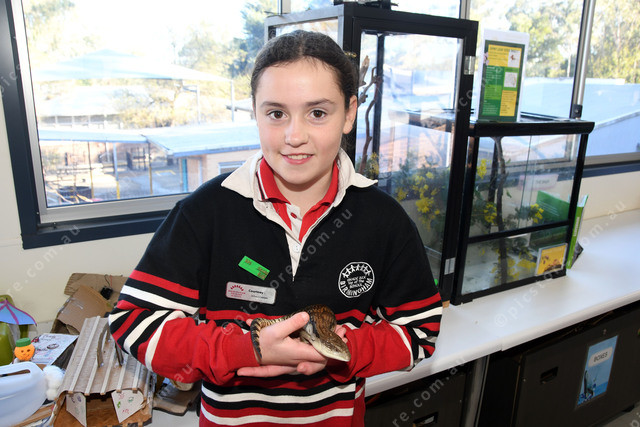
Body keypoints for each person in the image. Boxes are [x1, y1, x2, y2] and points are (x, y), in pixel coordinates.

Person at [109, 30, 442, 426]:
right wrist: (245, 349)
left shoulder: (384, 221)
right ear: (255, 111)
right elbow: (133, 324)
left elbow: (421, 332)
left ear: (350, 113)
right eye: (276, 114)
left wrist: (339, 348)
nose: (294, 137)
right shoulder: (205, 213)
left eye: (317, 113)